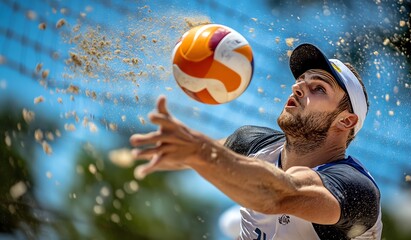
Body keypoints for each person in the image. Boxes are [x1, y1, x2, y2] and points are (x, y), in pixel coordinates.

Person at [129, 43, 382, 239]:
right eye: (300, 81)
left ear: (345, 122)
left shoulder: (356, 189)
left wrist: (199, 152)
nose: (298, 88)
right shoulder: (253, 143)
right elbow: (190, 152)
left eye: (319, 88)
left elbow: (277, 194)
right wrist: (153, 152)